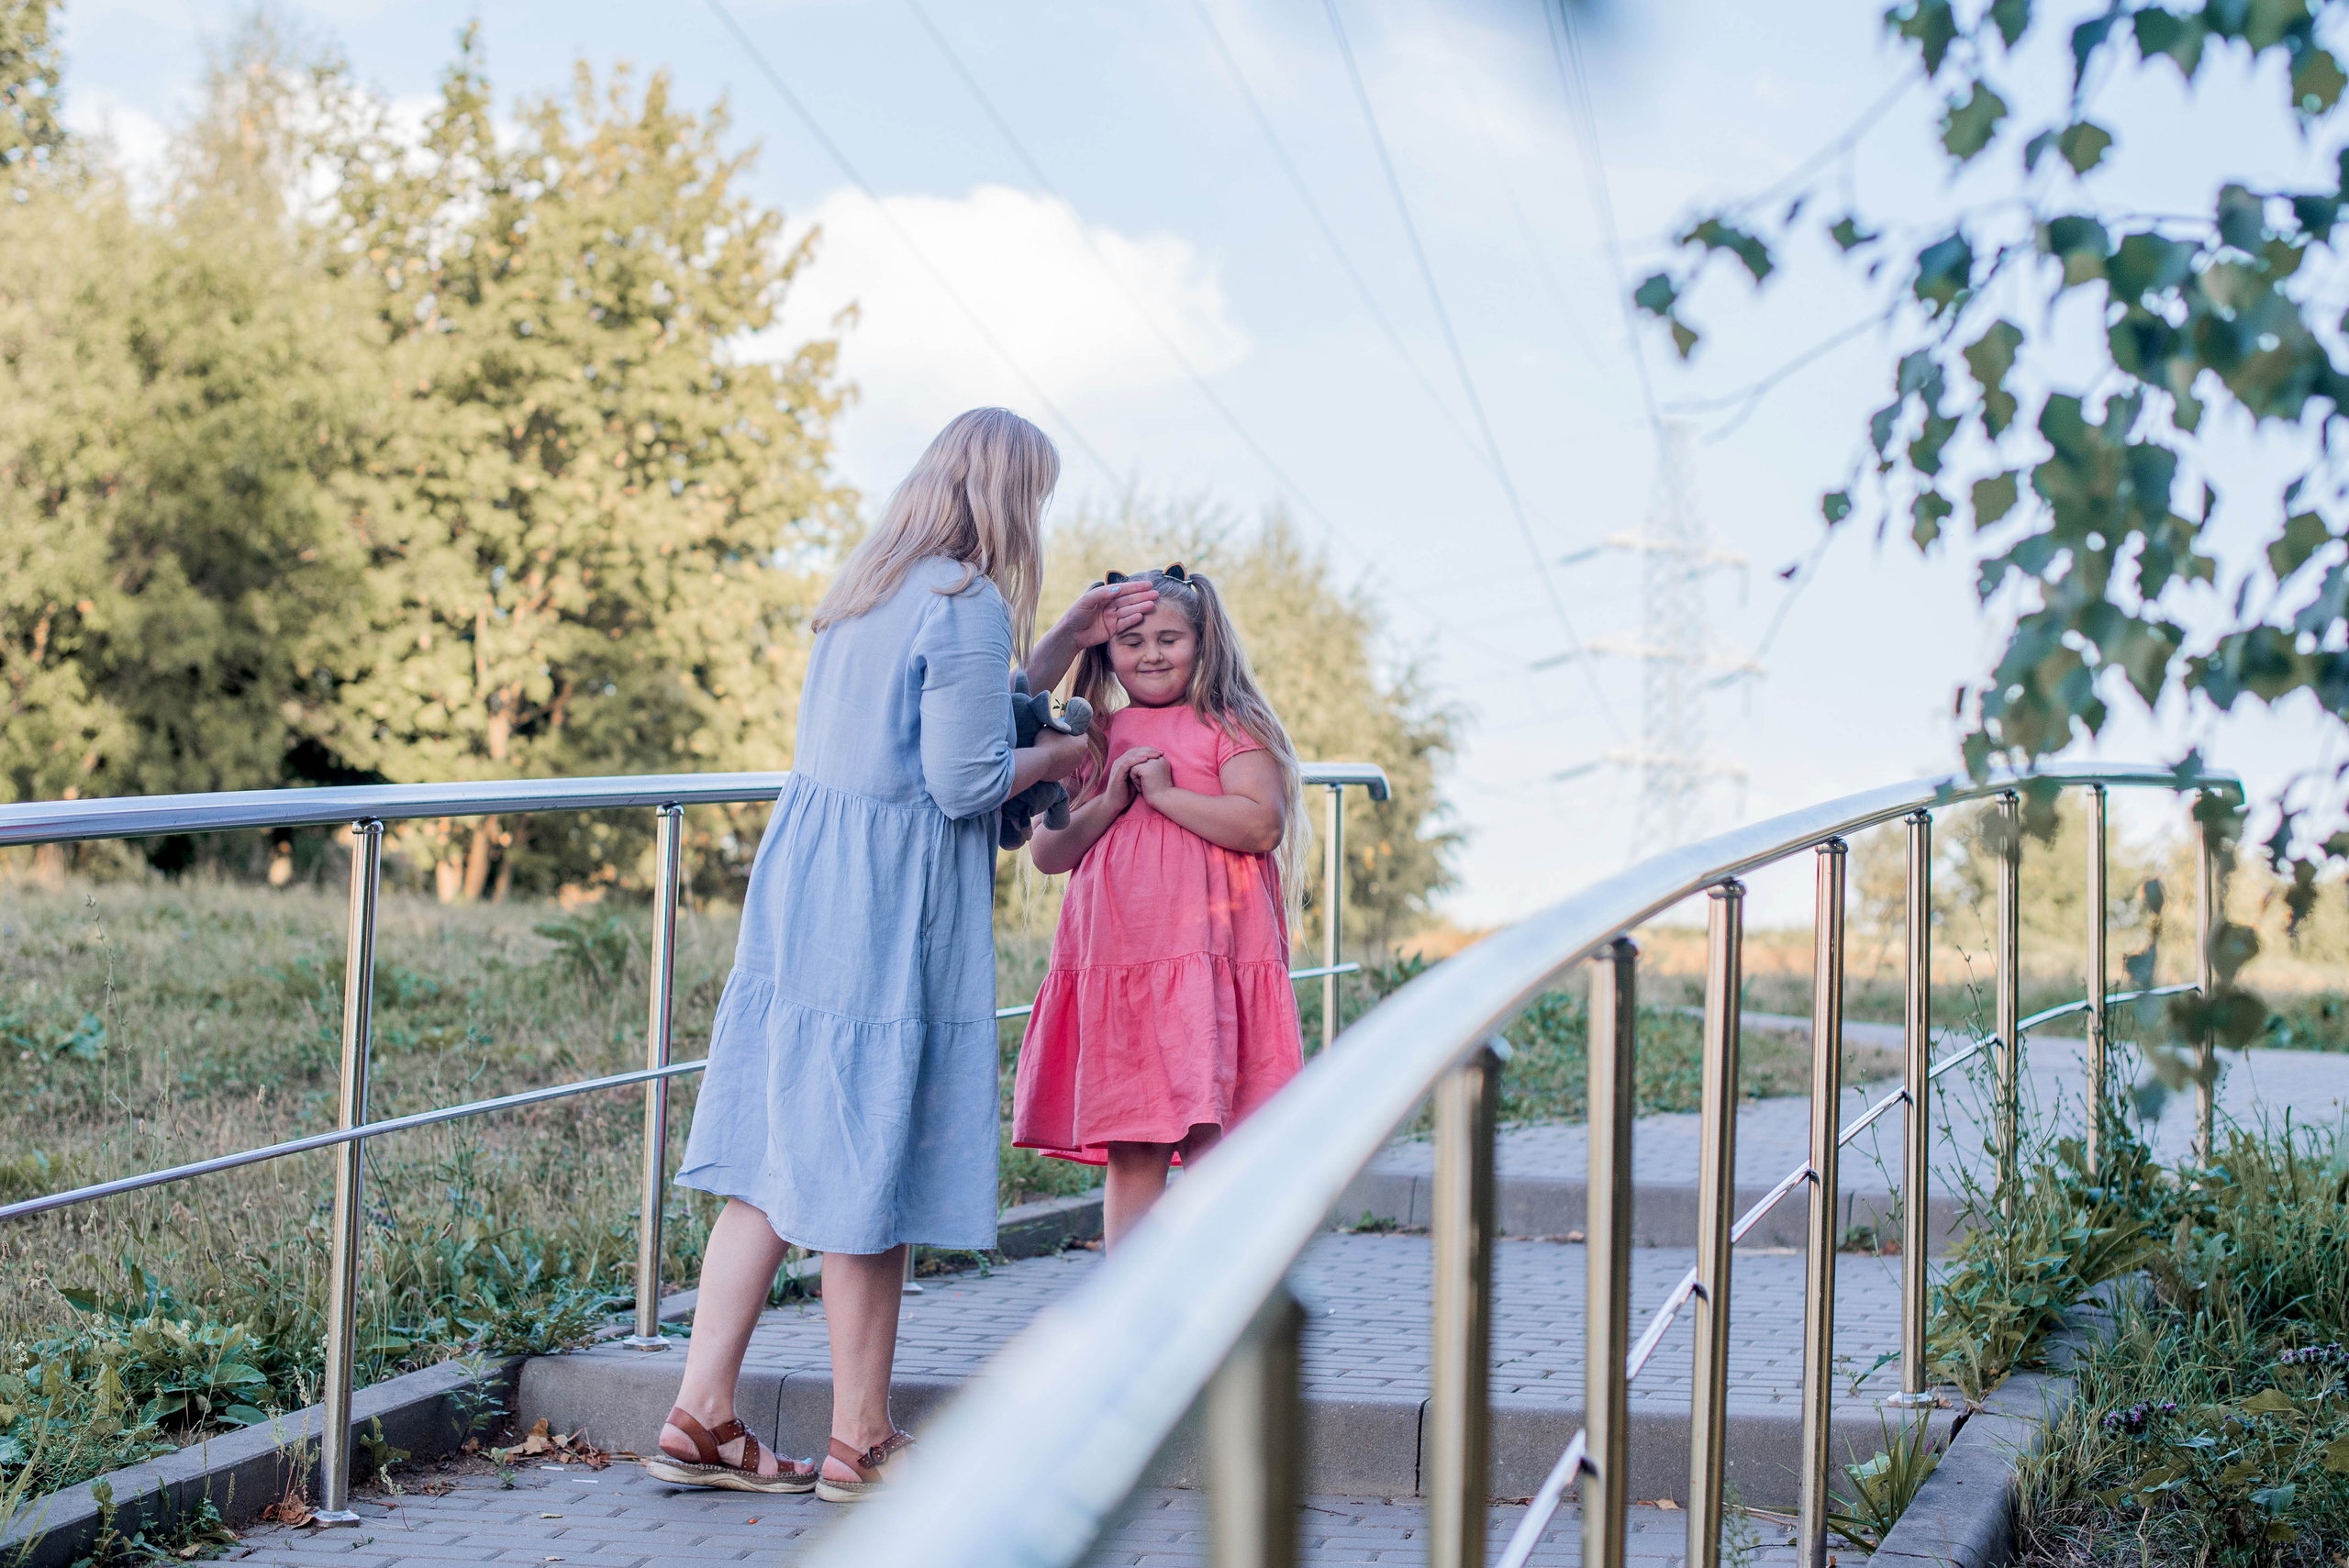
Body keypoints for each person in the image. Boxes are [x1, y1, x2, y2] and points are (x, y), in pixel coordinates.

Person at [644, 409, 1155, 1501]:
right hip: (889, 904)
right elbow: (966, 778)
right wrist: (1077, 746)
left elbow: (949, 715)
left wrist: (1059, 641)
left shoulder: (874, 587)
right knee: (868, 1160)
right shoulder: (966, 603)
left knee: (774, 1162)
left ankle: (701, 1410)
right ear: (1010, 497)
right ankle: (861, 1439)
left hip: (807, 893)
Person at [1011, 563, 1308, 1248]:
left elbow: (1260, 824)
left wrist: (1169, 797)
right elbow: (1050, 852)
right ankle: (1130, 1312)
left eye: (1169, 638)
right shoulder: (1092, 734)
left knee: (1216, 1135)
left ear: (1203, 643)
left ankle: (1215, 1304)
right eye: (1132, 639)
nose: (1149, 653)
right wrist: (1112, 799)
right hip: (1121, 969)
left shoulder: (1230, 724)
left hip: (1208, 970)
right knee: (1135, 1144)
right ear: (1106, 651)